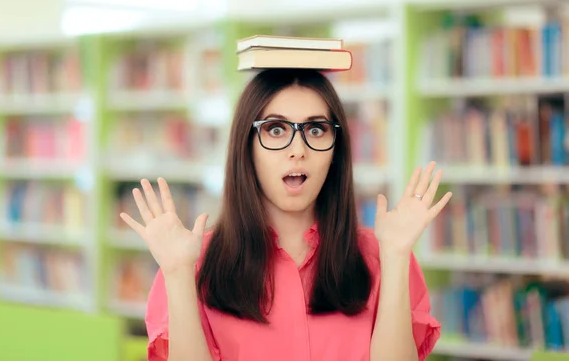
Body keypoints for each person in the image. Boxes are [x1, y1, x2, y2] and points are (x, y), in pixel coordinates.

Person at [120, 68, 452, 361]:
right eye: (276, 130)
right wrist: (178, 273)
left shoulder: (381, 255)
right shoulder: (191, 262)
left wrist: (394, 255)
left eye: (316, 130)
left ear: (337, 149)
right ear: (246, 147)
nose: (298, 150)